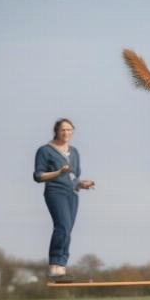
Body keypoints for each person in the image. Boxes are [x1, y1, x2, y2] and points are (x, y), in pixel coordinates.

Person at [33, 118, 95, 281]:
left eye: (69, 130)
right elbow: (38, 176)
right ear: (56, 131)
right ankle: (54, 266)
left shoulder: (74, 152)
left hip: (72, 193)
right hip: (55, 192)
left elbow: (74, 177)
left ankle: (61, 267)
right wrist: (58, 173)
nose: (66, 133)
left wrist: (83, 184)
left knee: (67, 230)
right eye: (63, 130)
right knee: (62, 227)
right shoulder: (45, 151)